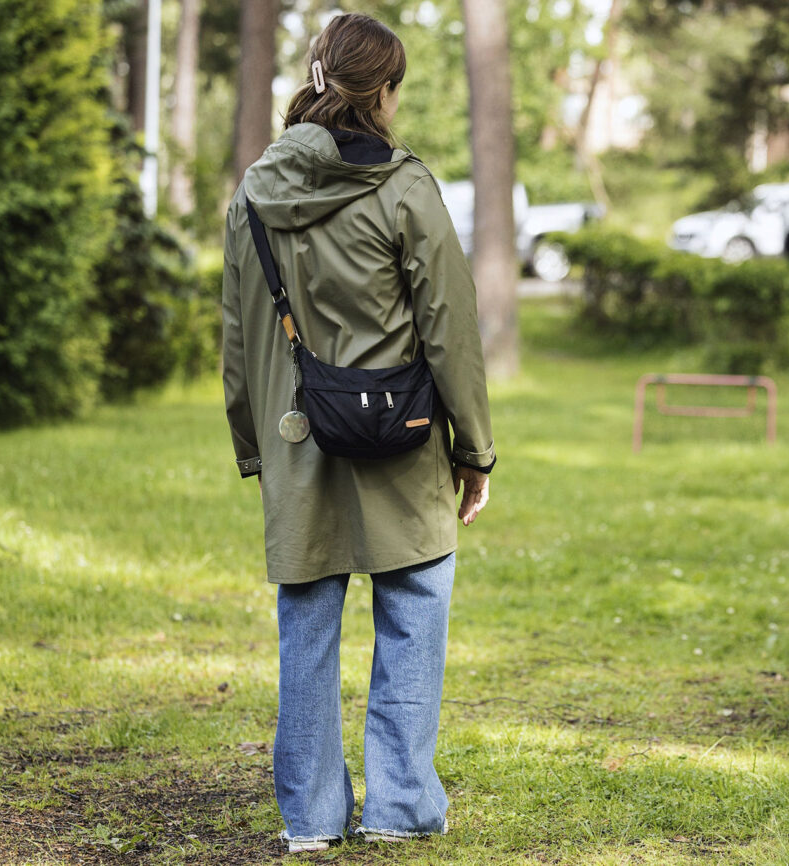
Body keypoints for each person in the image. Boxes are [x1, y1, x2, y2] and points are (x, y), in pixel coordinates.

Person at [221, 13, 496, 853]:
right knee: (413, 612)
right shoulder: (406, 188)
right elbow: (450, 328)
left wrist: (254, 450)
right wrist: (473, 450)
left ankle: (310, 820)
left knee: (305, 627)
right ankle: (400, 807)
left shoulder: (254, 194)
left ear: (313, 74)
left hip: (295, 440)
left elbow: (237, 343)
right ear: (384, 91)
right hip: (403, 440)